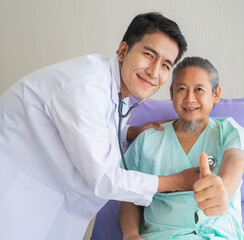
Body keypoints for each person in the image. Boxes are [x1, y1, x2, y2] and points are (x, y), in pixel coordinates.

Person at [0, 12, 202, 240]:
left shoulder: (116, 87)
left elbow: (89, 128)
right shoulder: (87, 86)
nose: (154, 72)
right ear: (123, 50)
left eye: (165, 65)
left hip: (41, 205)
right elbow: (105, 179)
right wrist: (176, 181)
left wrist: (130, 131)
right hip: (12, 202)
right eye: (148, 55)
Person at [119, 56, 244, 240]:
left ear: (216, 94)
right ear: (171, 93)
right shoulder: (147, 140)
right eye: (181, 89)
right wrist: (131, 234)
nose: (189, 99)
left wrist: (222, 191)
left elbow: (235, 163)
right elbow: (129, 197)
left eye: (199, 90)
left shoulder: (229, 132)